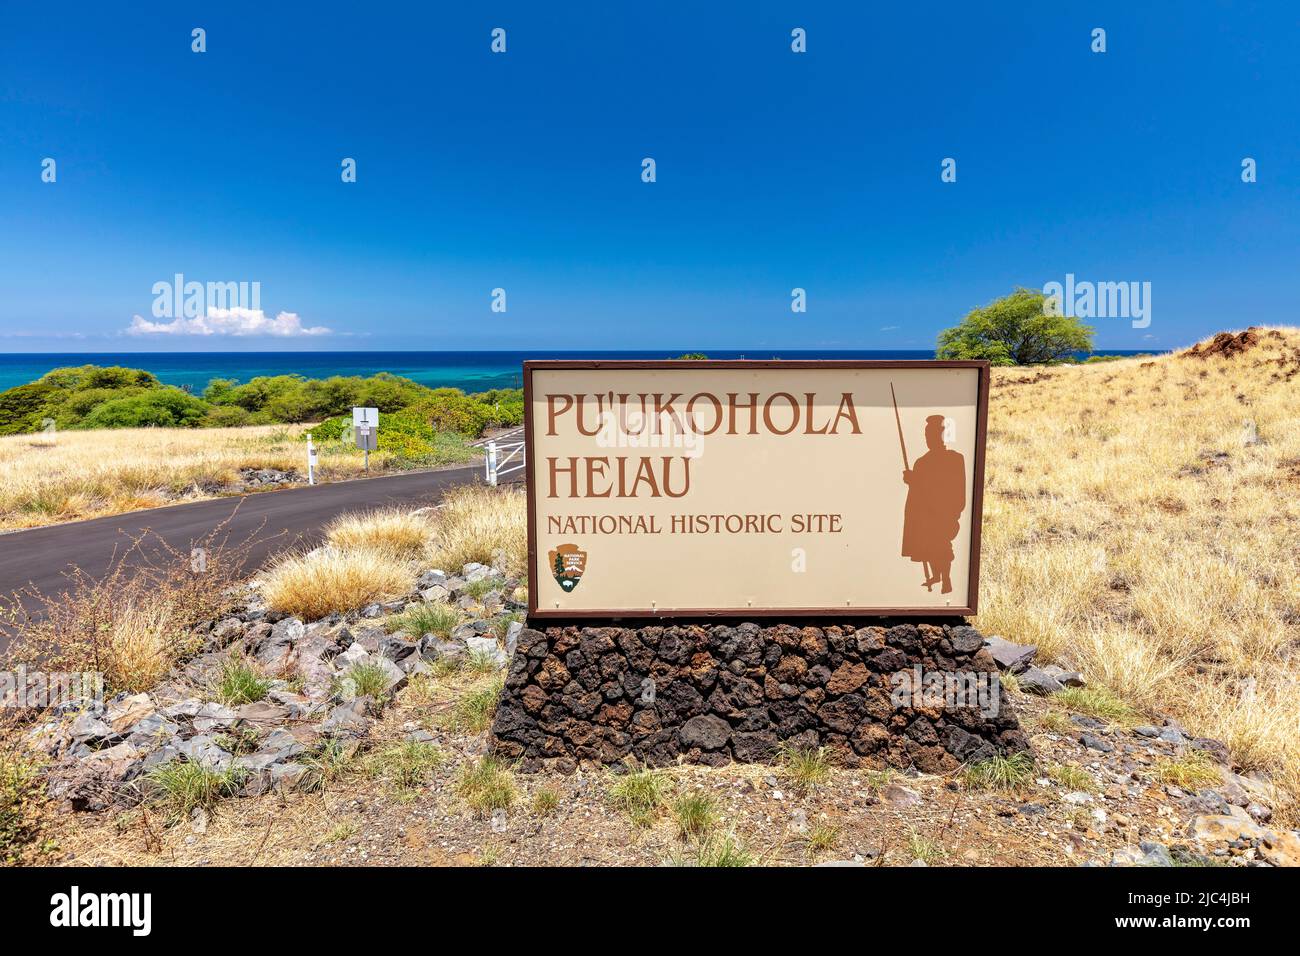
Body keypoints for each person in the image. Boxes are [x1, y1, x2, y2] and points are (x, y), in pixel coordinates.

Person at [901, 415, 966, 594]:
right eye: (927, 436)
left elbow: (953, 488)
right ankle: (936, 576)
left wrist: (953, 511)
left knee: (942, 545)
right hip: (925, 516)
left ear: (943, 435)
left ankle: (946, 579)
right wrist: (912, 482)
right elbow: (918, 495)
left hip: (945, 513)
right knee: (928, 544)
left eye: (933, 435)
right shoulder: (922, 462)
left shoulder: (954, 459)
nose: (929, 439)